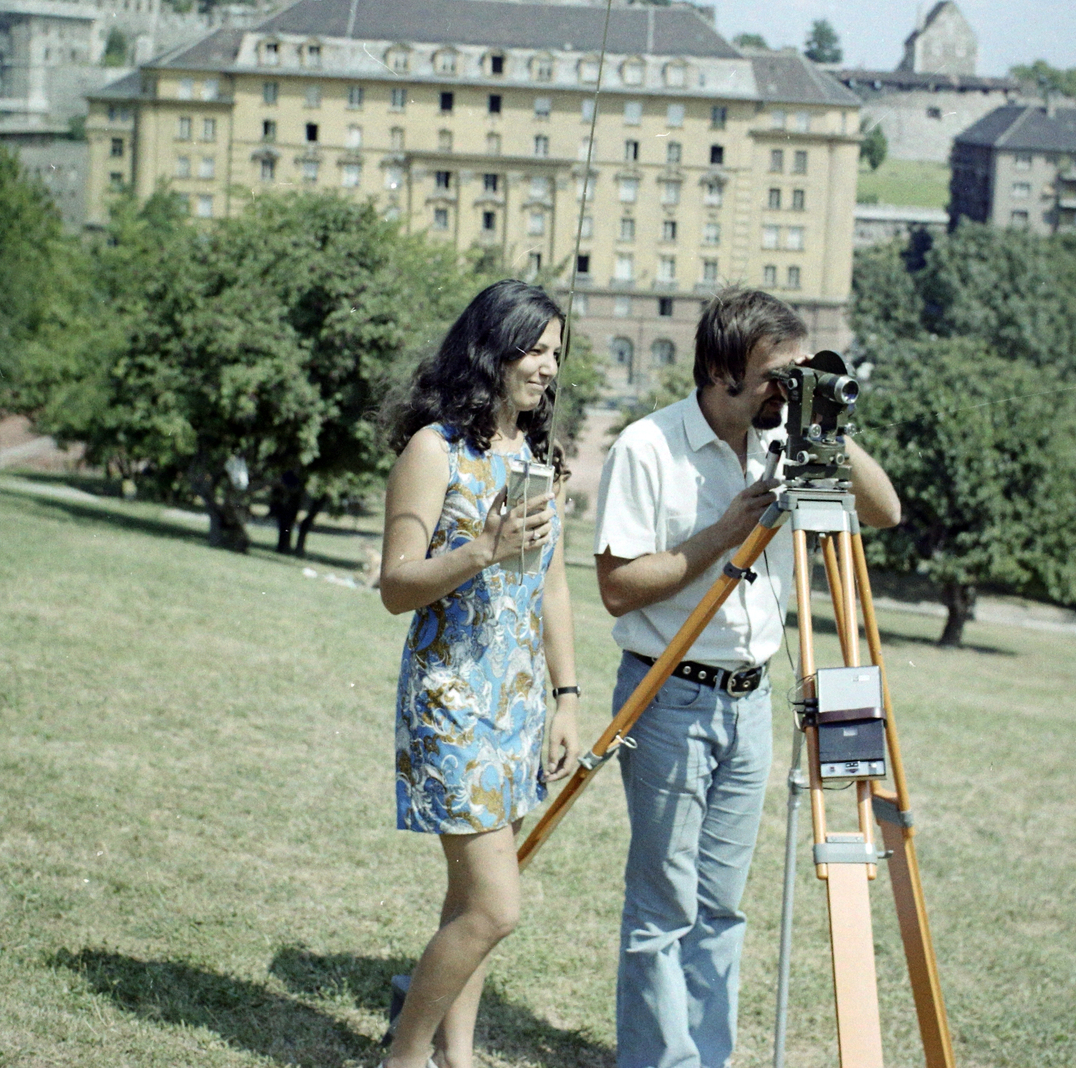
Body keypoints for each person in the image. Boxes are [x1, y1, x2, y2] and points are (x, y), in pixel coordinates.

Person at [595, 287, 901, 1068]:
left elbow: (885, 510)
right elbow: (618, 588)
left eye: (798, 373)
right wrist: (723, 533)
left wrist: (825, 422)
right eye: (776, 375)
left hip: (751, 698)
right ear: (721, 370)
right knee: (664, 907)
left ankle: (709, 1058)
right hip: (667, 690)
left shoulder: (782, 440)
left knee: (722, 908)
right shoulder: (648, 447)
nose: (785, 390)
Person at [377, 279, 581, 1068]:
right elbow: (397, 586)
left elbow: (552, 586)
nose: (546, 367)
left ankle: (457, 1058)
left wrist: (566, 698)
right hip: (452, 703)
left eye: (555, 353)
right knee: (496, 908)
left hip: (519, 702)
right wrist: (480, 548)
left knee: (468, 898)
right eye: (534, 349)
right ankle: (403, 1058)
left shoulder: (536, 457)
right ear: (490, 350)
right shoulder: (433, 451)